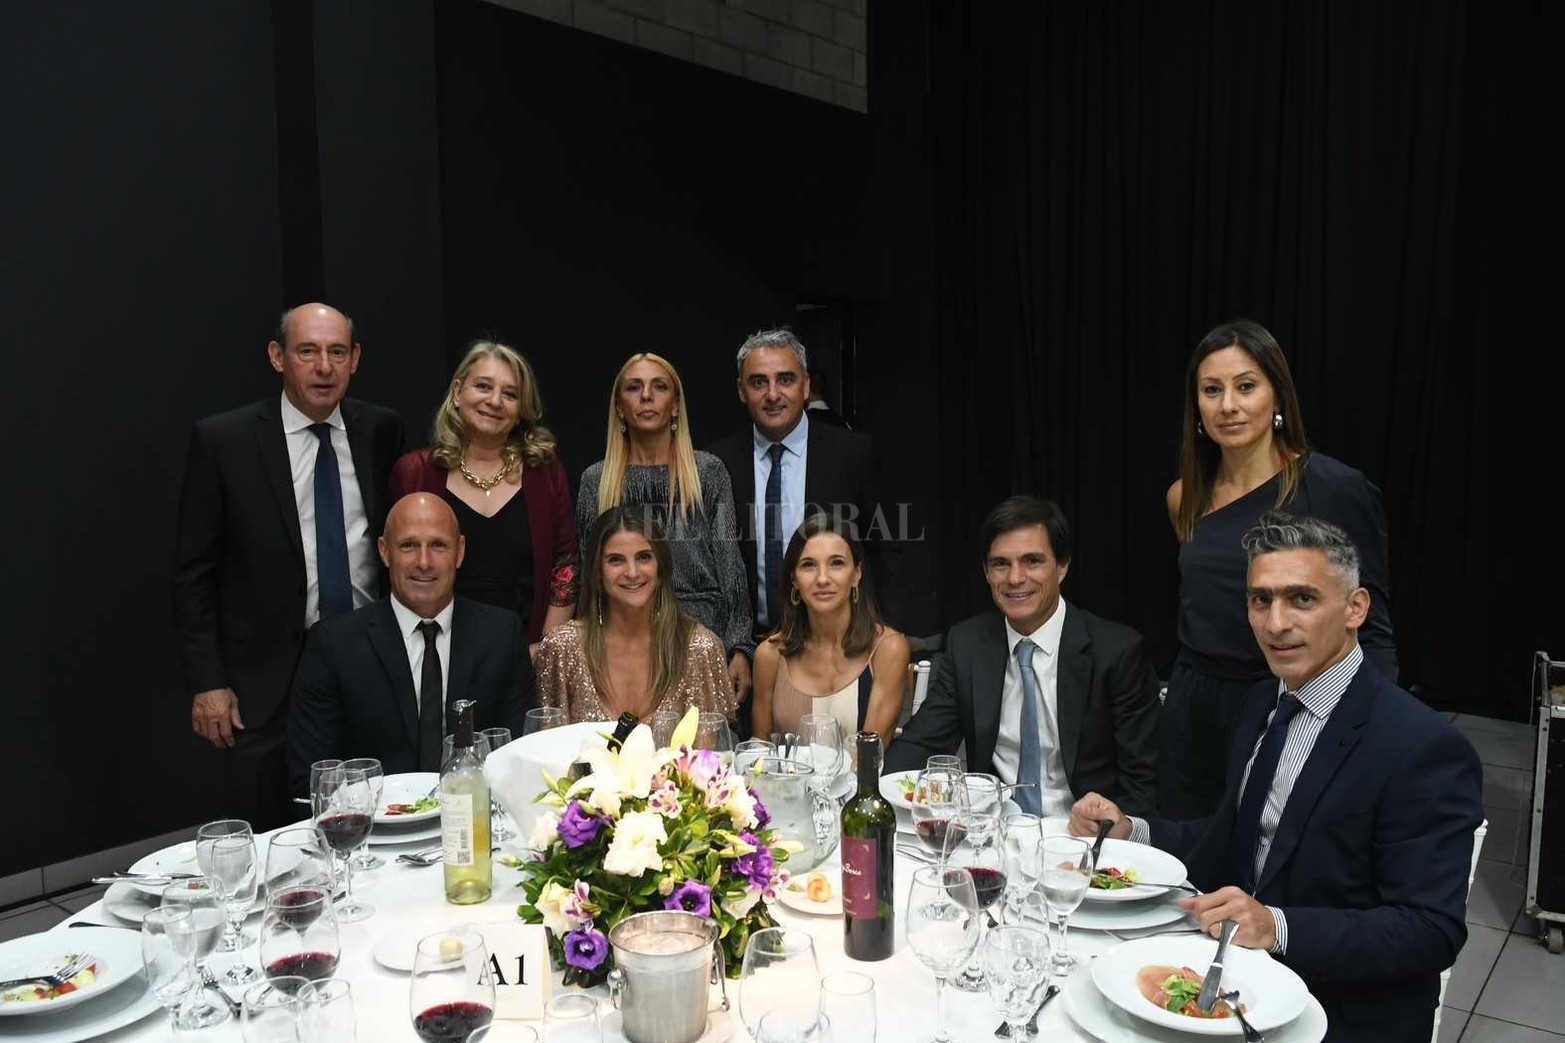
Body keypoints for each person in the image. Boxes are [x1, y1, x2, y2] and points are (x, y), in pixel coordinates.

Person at [1071, 512, 1482, 1043]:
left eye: (1302, 599)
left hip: (1343, 1007)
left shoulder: (1422, 746)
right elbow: (1235, 839)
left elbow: (1431, 930)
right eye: (1260, 600)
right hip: (1236, 984)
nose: (1275, 622)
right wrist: (1133, 831)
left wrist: (1277, 926)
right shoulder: (1263, 702)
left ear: (1355, 608)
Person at [173, 303, 403, 828]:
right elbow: (194, 573)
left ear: (355, 360)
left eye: (337, 352)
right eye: (307, 351)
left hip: (367, 656)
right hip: (266, 676)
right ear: (278, 357)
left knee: (374, 816)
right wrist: (208, 681)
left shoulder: (380, 430)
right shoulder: (224, 441)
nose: (323, 366)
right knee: (271, 828)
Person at [1161, 318, 1398, 818]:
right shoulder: (1184, 495)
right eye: (1212, 390)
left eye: (1246, 386)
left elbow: (1372, 627)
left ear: (1277, 398)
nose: (1228, 404)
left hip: (1283, 701)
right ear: (1197, 408)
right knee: (1186, 858)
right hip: (1193, 706)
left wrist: (1371, 734)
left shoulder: (1332, 488)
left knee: (1270, 861)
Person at [885, 496, 1160, 817]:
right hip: (994, 831)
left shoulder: (1116, 652)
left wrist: (1112, 842)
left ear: (1062, 566)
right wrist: (872, 792)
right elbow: (923, 744)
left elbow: (1142, 782)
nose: (1015, 578)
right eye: (1001, 563)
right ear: (986, 572)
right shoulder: (968, 644)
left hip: (1082, 836)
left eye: (1032, 561)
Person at [285, 493, 535, 792]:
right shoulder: (334, 645)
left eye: (438, 545)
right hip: (379, 829)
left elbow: (518, 757)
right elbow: (314, 777)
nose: (424, 562)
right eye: (408, 545)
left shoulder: (501, 634)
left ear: (460, 552)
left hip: (474, 821)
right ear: (384, 551)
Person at [575, 352, 753, 705]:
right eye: (634, 387)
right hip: (623, 639)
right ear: (619, 407)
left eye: (659, 387)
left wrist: (741, 649)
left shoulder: (707, 472)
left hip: (701, 633)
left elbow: (731, 567)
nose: (646, 396)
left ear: (675, 405)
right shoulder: (596, 480)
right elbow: (589, 572)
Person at [708, 328, 899, 647]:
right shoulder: (716, 463)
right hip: (747, 651)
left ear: (806, 385)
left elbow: (886, 550)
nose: (772, 394)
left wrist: (885, 634)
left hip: (840, 645)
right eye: (758, 382)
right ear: (741, 391)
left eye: (785, 379)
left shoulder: (852, 454)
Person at [389, 340, 578, 654]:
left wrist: (544, 648)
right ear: (457, 392)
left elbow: (565, 566)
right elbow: (396, 566)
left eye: (510, 394)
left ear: (521, 411)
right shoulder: (415, 472)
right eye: (483, 386)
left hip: (525, 650)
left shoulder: (545, 474)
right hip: (434, 651)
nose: (495, 401)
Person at [535, 505, 735, 725]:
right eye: (616, 560)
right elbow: (546, 749)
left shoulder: (700, 649)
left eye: (644, 557)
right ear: (598, 572)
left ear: (661, 568)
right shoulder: (561, 649)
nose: (632, 572)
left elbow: (714, 754)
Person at [751, 512, 910, 748]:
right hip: (783, 785)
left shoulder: (888, 649)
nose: (822, 578)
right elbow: (758, 757)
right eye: (809, 565)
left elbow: (867, 761)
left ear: (857, 573)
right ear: (794, 579)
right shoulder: (770, 655)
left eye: (836, 563)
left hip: (859, 785)